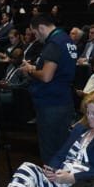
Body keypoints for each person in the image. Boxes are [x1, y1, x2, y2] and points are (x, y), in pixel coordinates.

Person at [21, 14, 76, 164]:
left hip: (51, 104)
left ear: (41, 28)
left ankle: (50, 184)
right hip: (63, 101)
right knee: (62, 148)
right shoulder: (67, 40)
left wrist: (31, 70)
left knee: (50, 151)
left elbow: (46, 76)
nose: (36, 37)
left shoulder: (54, 43)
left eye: (35, 33)